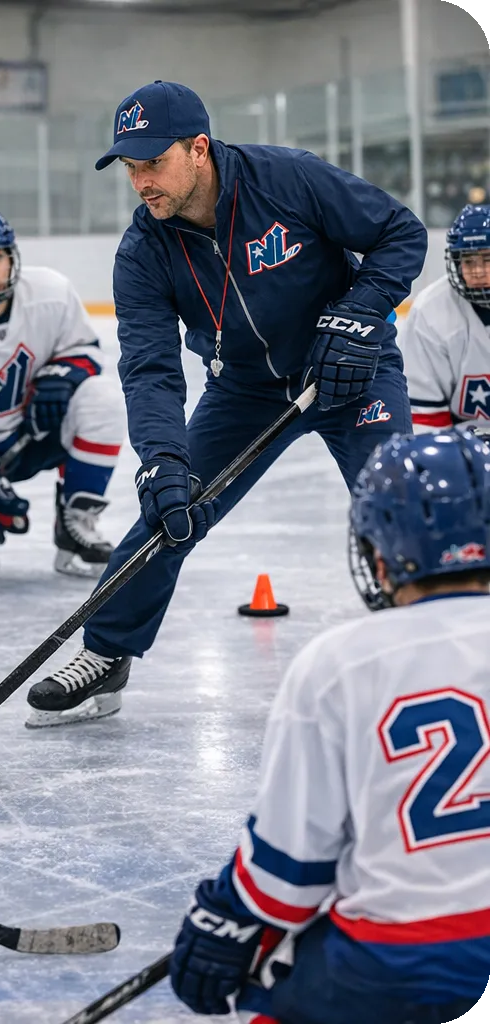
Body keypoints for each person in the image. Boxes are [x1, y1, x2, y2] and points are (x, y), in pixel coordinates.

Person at [26, 79, 427, 729]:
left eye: (153, 162)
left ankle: (435, 637)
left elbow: (399, 233)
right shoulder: (144, 252)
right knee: (169, 509)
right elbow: (151, 370)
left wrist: (359, 315)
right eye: (129, 167)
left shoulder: (289, 180)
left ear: (199, 149)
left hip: (349, 369)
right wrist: (162, 459)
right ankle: (105, 652)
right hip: (245, 389)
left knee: (401, 501)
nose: (140, 182)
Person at [169, 428, 490, 1024]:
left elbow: (288, 874)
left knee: (271, 979)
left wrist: (224, 918)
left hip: (396, 968)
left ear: (379, 553)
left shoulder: (340, 662)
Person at [0, 209, 124, 580]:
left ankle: (76, 522)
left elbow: (85, 351)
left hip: (35, 430)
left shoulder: (50, 293)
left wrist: (59, 377)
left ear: (12, 257)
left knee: (101, 397)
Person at [398, 204, 490, 433]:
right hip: (463, 442)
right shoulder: (430, 312)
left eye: (487, 259)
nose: (478, 271)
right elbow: (426, 420)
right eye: (469, 261)